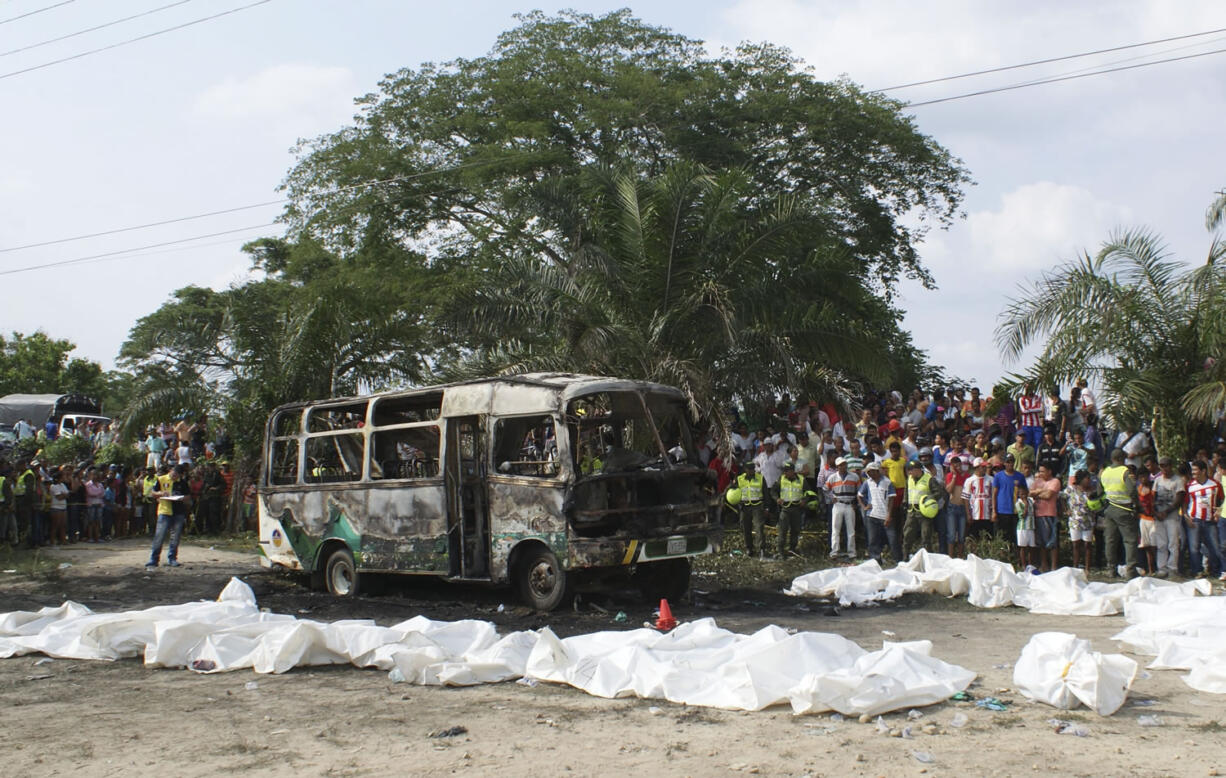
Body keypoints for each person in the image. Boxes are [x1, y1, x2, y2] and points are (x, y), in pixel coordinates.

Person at [1101, 448, 1141, 579]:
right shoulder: (1125, 471)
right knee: (1129, 540)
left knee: (1110, 540)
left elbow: (1099, 490)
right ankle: (1130, 570)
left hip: (1109, 508)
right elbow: (1132, 491)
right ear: (1121, 459)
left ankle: (1111, 569)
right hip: (1124, 509)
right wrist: (1136, 505)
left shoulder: (1104, 472)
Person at [1185, 460, 1223, 579]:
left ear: (1203, 471)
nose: (1193, 473)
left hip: (1209, 521)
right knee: (1194, 547)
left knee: (1215, 547)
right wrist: (1186, 517)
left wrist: (1218, 512)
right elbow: (1184, 503)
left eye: (1195, 470)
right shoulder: (1190, 486)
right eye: (1192, 470)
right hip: (1194, 520)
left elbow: (1222, 500)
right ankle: (1197, 571)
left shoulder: (1214, 484)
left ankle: (1216, 571)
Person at [147, 463, 190, 568]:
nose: (174, 477)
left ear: (180, 475)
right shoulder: (161, 479)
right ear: (171, 471)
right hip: (164, 511)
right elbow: (152, 493)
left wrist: (182, 498)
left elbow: (188, 496)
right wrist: (161, 494)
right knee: (159, 536)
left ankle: (172, 558)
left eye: (177, 475)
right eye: (173, 474)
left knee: (175, 537)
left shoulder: (183, 483)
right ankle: (154, 559)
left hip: (178, 512)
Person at [1151, 456, 1185, 577]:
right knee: (1161, 544)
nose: (1164, 468)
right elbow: (1153, 497)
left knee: (1173, 543)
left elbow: (1179, 499)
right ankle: (1162, 568)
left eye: (1166, 465)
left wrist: (1166, 512)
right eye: (1162, 466)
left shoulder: (1177, 480)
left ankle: (1172, 568)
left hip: (1172, 516)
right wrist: (1155, 512)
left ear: (1171, 466)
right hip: (1159, 516)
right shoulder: (1158, 480)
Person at [858, 460, 897, 564]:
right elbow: (859, 495)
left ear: (877, 471)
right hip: (871, 515)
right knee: (872, 540)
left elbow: (891, 499)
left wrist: (889, 515)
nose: (870, 473)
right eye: (868, 472)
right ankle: (875, 560)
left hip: (885, 514)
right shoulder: (867, 482)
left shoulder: (887, 482)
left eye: (872, 471)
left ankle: (896, 559)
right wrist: (864, 506)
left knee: (892, 539)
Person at [903, 459, 944, 556]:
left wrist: (929, 500)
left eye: (911, 470)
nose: (909, 472)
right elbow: (906, 492)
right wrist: (904, 502)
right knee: (907, 534)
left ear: (918, 470)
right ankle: (905, 557)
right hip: (911, 511)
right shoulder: (909, 479)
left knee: (926, 536)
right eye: (909, 470)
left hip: (924, 512)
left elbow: (939, 492)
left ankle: (928, 558)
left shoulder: (929, 479)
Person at [824, 457, 861, 558]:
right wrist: (831, 497)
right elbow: (825, 489)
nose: (842, 466)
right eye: (840, 465)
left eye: (844, 464)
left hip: (850, 504)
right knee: (835, 529)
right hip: (838, 504)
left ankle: (852, 552)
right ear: (837, 467)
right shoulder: (832, 477)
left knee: (851, 530)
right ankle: (834, 551)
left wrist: (856, 503)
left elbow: (859, 491)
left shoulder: (854, 477)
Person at [1031, 463, 1062, 572]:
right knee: (1041, 542)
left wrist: (1037, 493)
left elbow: (1048, 496)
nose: (1040, 473)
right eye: (1039, 471)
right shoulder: (1037, 481)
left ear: (1049, 471)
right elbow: (1029, 493)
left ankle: (1054, 566)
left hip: (1050, 514)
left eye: (1043, 471)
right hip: (1038, 513)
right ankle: (1044, 565)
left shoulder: (1055, 482)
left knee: (1052, 542)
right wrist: (1040, 492)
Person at [990, 454, 1026, 543]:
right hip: (1002, 511)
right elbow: (994, 494)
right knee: (1002, 536)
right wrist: (994, 511)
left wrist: (1024, 508)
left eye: (1012, 461)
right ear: (1004, 463)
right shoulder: (998, 476)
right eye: (1008, 462)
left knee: (1015, 537)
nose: (1010, 464)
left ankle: (1014, 556)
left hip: (1015, 511)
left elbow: (1025, 493)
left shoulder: (1020, 476)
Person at [1065, 469, 1095, 575]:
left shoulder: (1092, 490)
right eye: (1087, 478)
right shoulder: (1071, 489)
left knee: (1087, 544)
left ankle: (1087, 568)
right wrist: (1066, 509)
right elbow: (1062, 498)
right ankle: (1075, 566)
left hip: (1088, 520)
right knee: (1076, 544)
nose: (1089, 480)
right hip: (1075, 520)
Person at [735, 461, 767, 558]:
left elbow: (766, 493)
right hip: (745, 506)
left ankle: (761, 549)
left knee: (759, 528)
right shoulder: (739, 479)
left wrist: (767, 508)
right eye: (749, 469)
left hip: (757, 505)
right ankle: (749, 548)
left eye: (753, 469)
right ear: (745, 470)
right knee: (746, 528)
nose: (751, 471)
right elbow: (734, 491)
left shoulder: (760, 478)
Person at [774, 461, 805, 557]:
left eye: (788, 471)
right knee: (782, 530)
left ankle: (792, 549)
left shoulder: (801, 479)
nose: (786, 473)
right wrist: (777, 499)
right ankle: (780, 551)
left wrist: (805, 500)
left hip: (797, 508)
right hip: (785, 509)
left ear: (793, 471)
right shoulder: (781, 479)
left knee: (795, 530)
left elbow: (808, 492)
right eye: (785, 471)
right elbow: (773, 491)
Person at [944, 455, 969, 558]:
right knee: (951, 535)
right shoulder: (950, 476)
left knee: (961, 536)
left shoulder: (967, 476)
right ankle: (950, 557)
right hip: (952, 507)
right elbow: (949, 490)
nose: (957, 467)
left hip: (963, 507)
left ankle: (960, 556)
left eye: (959, 465)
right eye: (955, 466)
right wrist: (954, 476)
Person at [963, 457, 994, 538]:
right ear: (976, 468)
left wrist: (993, 512)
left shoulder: (991, 480)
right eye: (982, 467)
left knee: (988, 537)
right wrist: (968, 514)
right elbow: (965, 498)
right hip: (975, 514)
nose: (984, 468)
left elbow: (994, 496)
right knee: (974, 537)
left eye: (985, 466)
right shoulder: (969, 480)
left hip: (987, 514)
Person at [1136, 474, 1159, 576]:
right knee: (1146, 546)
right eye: (1141, 477)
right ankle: (1150, 569)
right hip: (1143, 519)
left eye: (1144, 476)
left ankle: (1156, 568)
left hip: (1153, 519)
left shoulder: (1153, 489)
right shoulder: (1138, 489)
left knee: (1154, 545)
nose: (1143, 479)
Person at [1014, 482, 1037, 570]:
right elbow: (1022, 515)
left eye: (1024, 493)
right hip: (1022, 527)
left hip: (1031, 526)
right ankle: (1023, 564)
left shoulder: (1031, 500)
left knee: (1031, 547)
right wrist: (1026, 507)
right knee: (1023, 547)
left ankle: (1030, 564)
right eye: (1021, 494)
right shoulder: (1018, 503)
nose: (1023, 496)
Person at [1016, 385, 1045, 451]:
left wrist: (1029, 410)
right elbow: (1023, 410)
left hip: (1037, 425)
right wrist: (1034, 408)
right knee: (1027, 444)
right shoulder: (1022, 399)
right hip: (1026, 426)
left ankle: (1036, 459)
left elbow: (1040, 409)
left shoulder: (1038, 398)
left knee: (1038, 444)